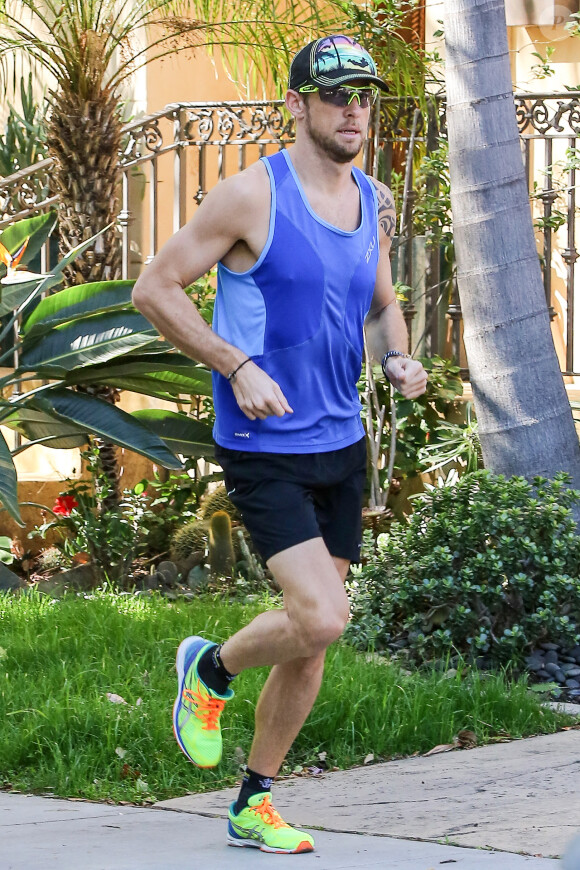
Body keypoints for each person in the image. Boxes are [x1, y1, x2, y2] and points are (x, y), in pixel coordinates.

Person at [132, 33, 427, 854]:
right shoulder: (248, 198)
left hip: (341, 440)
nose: (353, 110)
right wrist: (235, 363)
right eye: (335, 95)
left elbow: (378, 304)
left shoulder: (374, 199)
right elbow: (153, 288)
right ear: (297, 104)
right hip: (264, 443)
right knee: (324, 617)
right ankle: (212, 670)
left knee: (312, 639)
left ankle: (252, 801)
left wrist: (397, 354)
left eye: (364, 95)